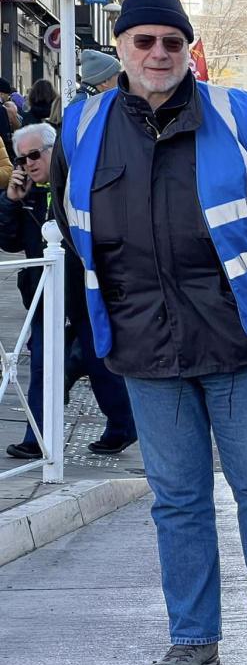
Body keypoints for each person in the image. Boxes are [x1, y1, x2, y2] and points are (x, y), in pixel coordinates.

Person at [52, 0, 247, 665]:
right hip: (143, 344)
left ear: (190, 49)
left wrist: (243, 280)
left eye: (173, 41)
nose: (160, 53)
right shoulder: (80, 127)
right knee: (177, 499)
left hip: (236, 339)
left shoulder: (240, 116)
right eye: (145, 41)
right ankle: (193, 639)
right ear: (122, 48)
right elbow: (70, 225)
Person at [2, 123, 137, 460]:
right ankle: (38, 439)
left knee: (100, 362)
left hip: (86, 292)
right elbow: (8, 240)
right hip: (45, 296)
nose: (29, 164)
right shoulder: (29, 195)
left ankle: (123, 425)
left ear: (54, 150)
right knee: (42, 368)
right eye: (22, 159)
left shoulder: (78, 184)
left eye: (35, 155)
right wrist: (10, 201)